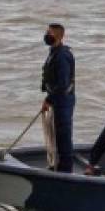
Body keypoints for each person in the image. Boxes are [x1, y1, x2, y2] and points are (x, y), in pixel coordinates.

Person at [39, 23, 76, 172]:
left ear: (59, 36)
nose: (47, 35)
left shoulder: (62, 55)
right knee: (57, 134)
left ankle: (66, 169)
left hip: (63, 101)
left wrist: (49, 100)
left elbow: (63, 83)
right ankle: (59, 164)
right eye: (46, 31)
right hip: (57, 99)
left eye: (50, 33)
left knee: (64, 134)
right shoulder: (54, 52)